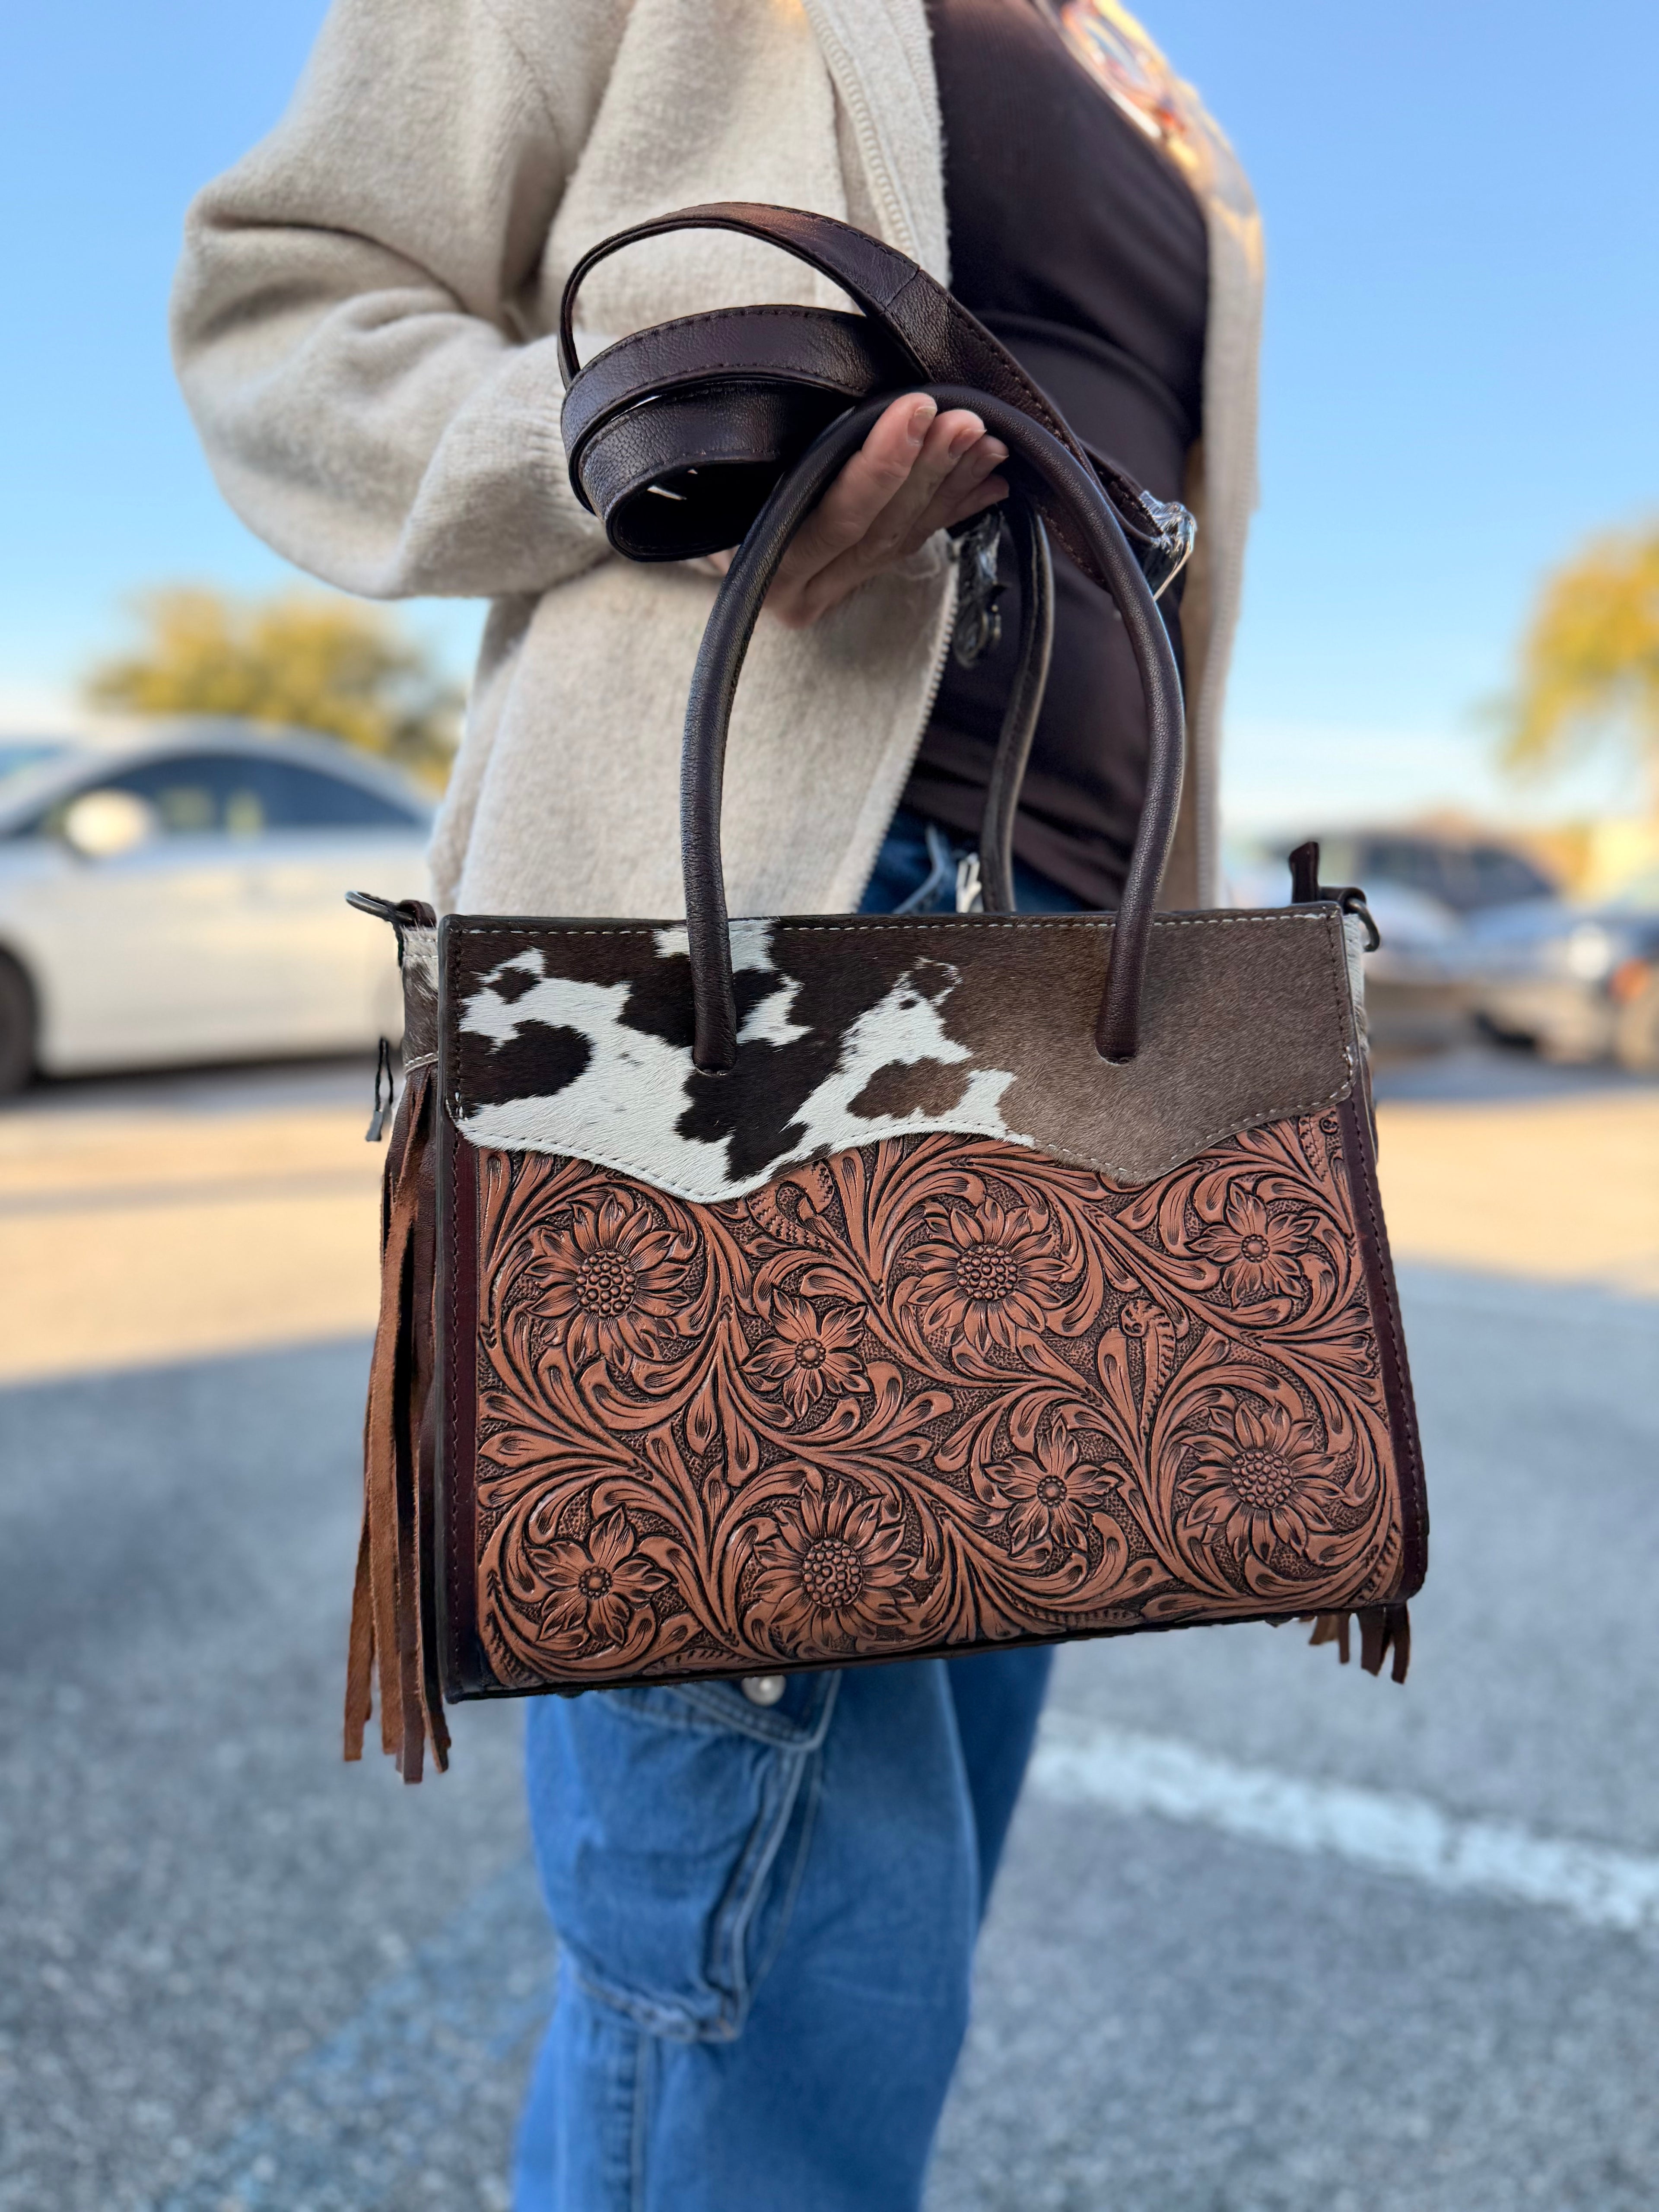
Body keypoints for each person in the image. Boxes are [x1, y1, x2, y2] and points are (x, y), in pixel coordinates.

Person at [173, 3, 1261, 2204]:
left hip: (1077, 1004)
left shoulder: (1157, 78)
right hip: (755, 945)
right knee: (790, 1961)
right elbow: (283, 303)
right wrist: (642, 456)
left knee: (885, 1912)